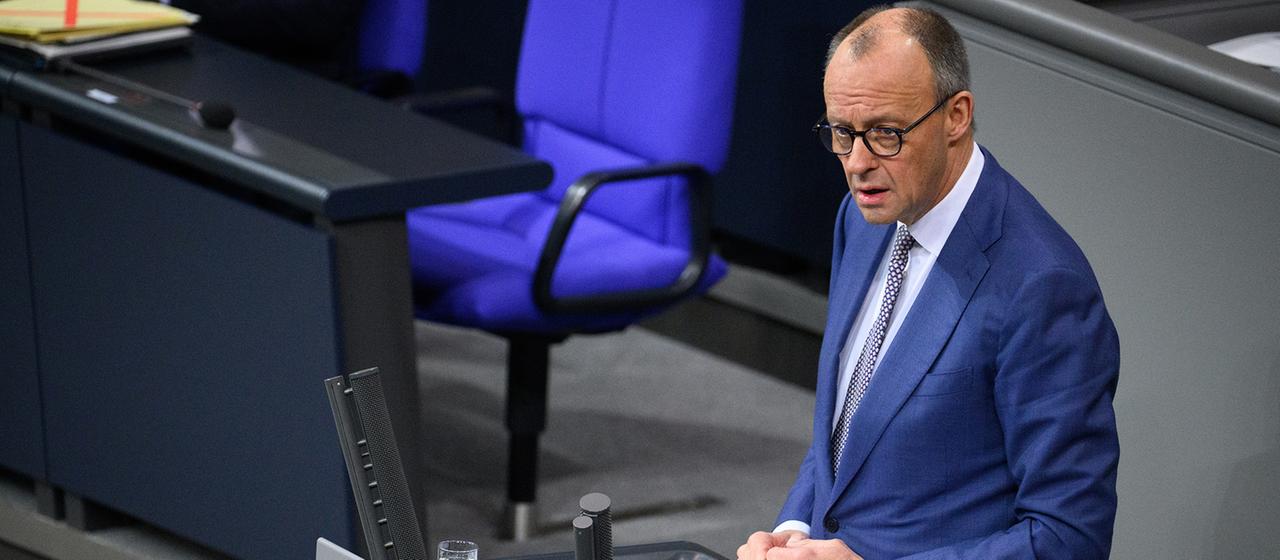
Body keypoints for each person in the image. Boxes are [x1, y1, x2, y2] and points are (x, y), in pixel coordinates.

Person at [737, 6, 1120, 559]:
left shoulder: (1042, 287)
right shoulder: (862, 217)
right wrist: (795, 532)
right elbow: (847, 433)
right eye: (842, 133)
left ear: (956, 115)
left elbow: (1069, 538)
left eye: (886, 134)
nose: (857, 163)